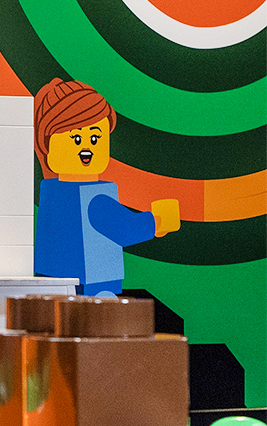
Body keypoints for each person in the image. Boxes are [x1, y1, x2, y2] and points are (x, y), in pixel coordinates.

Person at [32, 77, 179, 297]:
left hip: (51, 283)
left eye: (94, 138)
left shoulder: (51, 192)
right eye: (75, 138)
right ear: (48, 147)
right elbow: (124, 229)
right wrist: (157, 221)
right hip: (92, 285)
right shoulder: (93, 198)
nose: (86, 148)